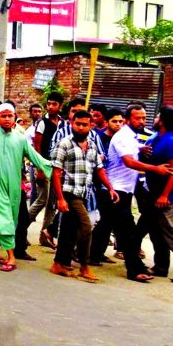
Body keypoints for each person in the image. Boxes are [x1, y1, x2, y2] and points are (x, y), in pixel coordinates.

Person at [0, 103, 52, 272]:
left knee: (8, 219)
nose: (7, 119)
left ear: (15, 117)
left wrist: (51, 167)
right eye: (3, 116)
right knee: (4, 218)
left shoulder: (20, 138)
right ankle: (11, 257)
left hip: (14, 186)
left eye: (10, 116)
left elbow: (35, 156)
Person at [97, 105, 173, 282]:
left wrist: (140, 148)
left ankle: (89, 255)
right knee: (127, 231)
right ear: (127, 119)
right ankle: (135, 269)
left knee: (108, 225)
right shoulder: (123, 136)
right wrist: (156, 168)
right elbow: (129, 162)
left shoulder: (132, 137)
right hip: (116, 189)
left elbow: (132, 150)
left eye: (144, 118)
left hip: (125, 189)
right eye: (137, 118)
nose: (142, 121)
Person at [49, 110, 117, 283]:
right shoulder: (64, 144)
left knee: (68, 229)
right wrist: (60, 198)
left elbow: (99, 169)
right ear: (72, 124)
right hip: (69, 192)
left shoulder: (93, 145)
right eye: (77, 124)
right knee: (86, 227)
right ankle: (85, 266)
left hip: (84, 192)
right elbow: (55, 173)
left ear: (90, 126)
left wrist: (110, 188)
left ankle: (59, 264)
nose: (80, 127)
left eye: (84, 124)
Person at [144, 106, 173, 281]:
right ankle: (161, 266)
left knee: (172, 233)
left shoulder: (172, 141)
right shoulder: (155, 137)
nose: (154, 118)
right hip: (153, 193)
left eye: (157, 116)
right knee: (157, 233)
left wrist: (165, 195)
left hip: (167, 197)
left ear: (162, 120)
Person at [89, 108, 123, 265]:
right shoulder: (100, 138)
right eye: (114, 121)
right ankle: (91, 252)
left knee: (109, 221)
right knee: (103, 220)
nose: (118, 124)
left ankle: (98, 252)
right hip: (100, 184)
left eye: (120, 121)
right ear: (107, 122)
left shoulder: (121, 139)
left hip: (115, 184)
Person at [29, 91, 64, 248]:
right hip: (44, 165)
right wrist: (39, 168)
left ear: (60, 106)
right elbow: (37, 145)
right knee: (42, 200)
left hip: (56, 167)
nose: (50, 106)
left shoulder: (63, 124)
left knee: (52, 203)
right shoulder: (42, 123)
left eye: (54, 104)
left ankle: (45, 234)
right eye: (48, 104)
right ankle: (20, 227)